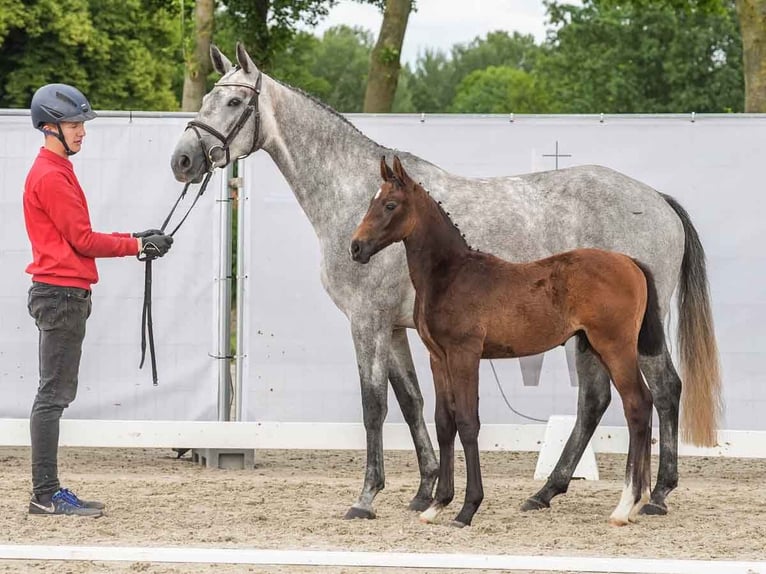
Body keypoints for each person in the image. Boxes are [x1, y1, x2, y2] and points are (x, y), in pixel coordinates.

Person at [23, 83, 173, 517]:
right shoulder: (52, 175)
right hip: (61, 295)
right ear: (50, 127)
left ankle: (46, 492)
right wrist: (137, 247)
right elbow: (83, 240)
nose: (82, 133)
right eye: (74, 125)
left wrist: (134, 237)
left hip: (63, 293)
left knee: (54, 393)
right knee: (53, 395)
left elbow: (78, 237)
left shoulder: (56, 170)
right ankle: (46, 494)